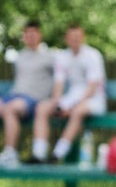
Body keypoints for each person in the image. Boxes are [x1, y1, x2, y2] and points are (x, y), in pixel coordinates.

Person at [0, 20, 56, 165]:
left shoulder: (50, 57)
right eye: (27, 34)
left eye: (33, 33)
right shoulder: (20, 56)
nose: (30, 37)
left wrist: (54, 100)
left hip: (33, 100)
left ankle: (10, 152)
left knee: (10, 109)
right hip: (13, 96)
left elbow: (60, 78)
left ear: (39, 35)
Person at [37, 22, 107, 163]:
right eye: (72, 37)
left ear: (83, 37)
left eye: (78, 36)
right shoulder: (62, 57)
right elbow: (59, 84)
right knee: (42, 107)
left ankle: (57, 154)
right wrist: (57, 104)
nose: (75, 40)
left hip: (94, 99)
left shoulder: (93, 55)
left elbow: (92, 88)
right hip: (72, 97)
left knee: (77, 112)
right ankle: (38, 153)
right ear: (66, 38)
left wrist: (71, 107)